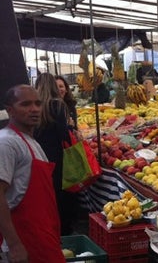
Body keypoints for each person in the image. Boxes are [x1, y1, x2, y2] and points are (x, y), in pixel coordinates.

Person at [0, 84, 65, 262]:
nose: (34, 109)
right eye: (26, 104)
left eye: (38, 103)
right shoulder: (6, 143)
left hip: (41, 235)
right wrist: (14, 245)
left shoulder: (30, 141)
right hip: (25, 239)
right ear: (10, 110)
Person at [33, 73, 75, 236]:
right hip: (56, 156)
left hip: (37, 154)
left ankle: (47, 226)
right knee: (59, 194)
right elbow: (63, 135)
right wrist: (70, 127)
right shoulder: (57, 105)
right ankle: (63, 229)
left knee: (44, 193)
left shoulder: (35, 105)